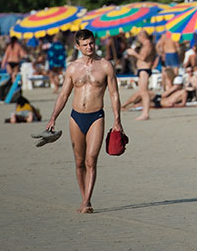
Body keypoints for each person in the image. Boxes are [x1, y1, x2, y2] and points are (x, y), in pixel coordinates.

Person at [43, 29, 122, 214]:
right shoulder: (72, 68)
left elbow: (114, 94)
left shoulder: (105, 66)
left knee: (91, 160)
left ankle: (87, 201)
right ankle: (83, 195)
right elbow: (63, 95)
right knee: (79, 162)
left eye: (91, 43)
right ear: (77, 46)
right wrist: (53, 117)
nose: (89, 47)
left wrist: (117, 120)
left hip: (96, 117)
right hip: (76, 117)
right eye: (84, 44)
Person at [125, 31, 155, 121]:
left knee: (144, 92)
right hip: (142, 69)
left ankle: (145, 113)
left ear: (142, 36)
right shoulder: (145, 45)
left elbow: (143, 58)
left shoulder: (148, 45)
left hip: (145, 69)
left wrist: (133, 53)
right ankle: (144, 113)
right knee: (142, 91)